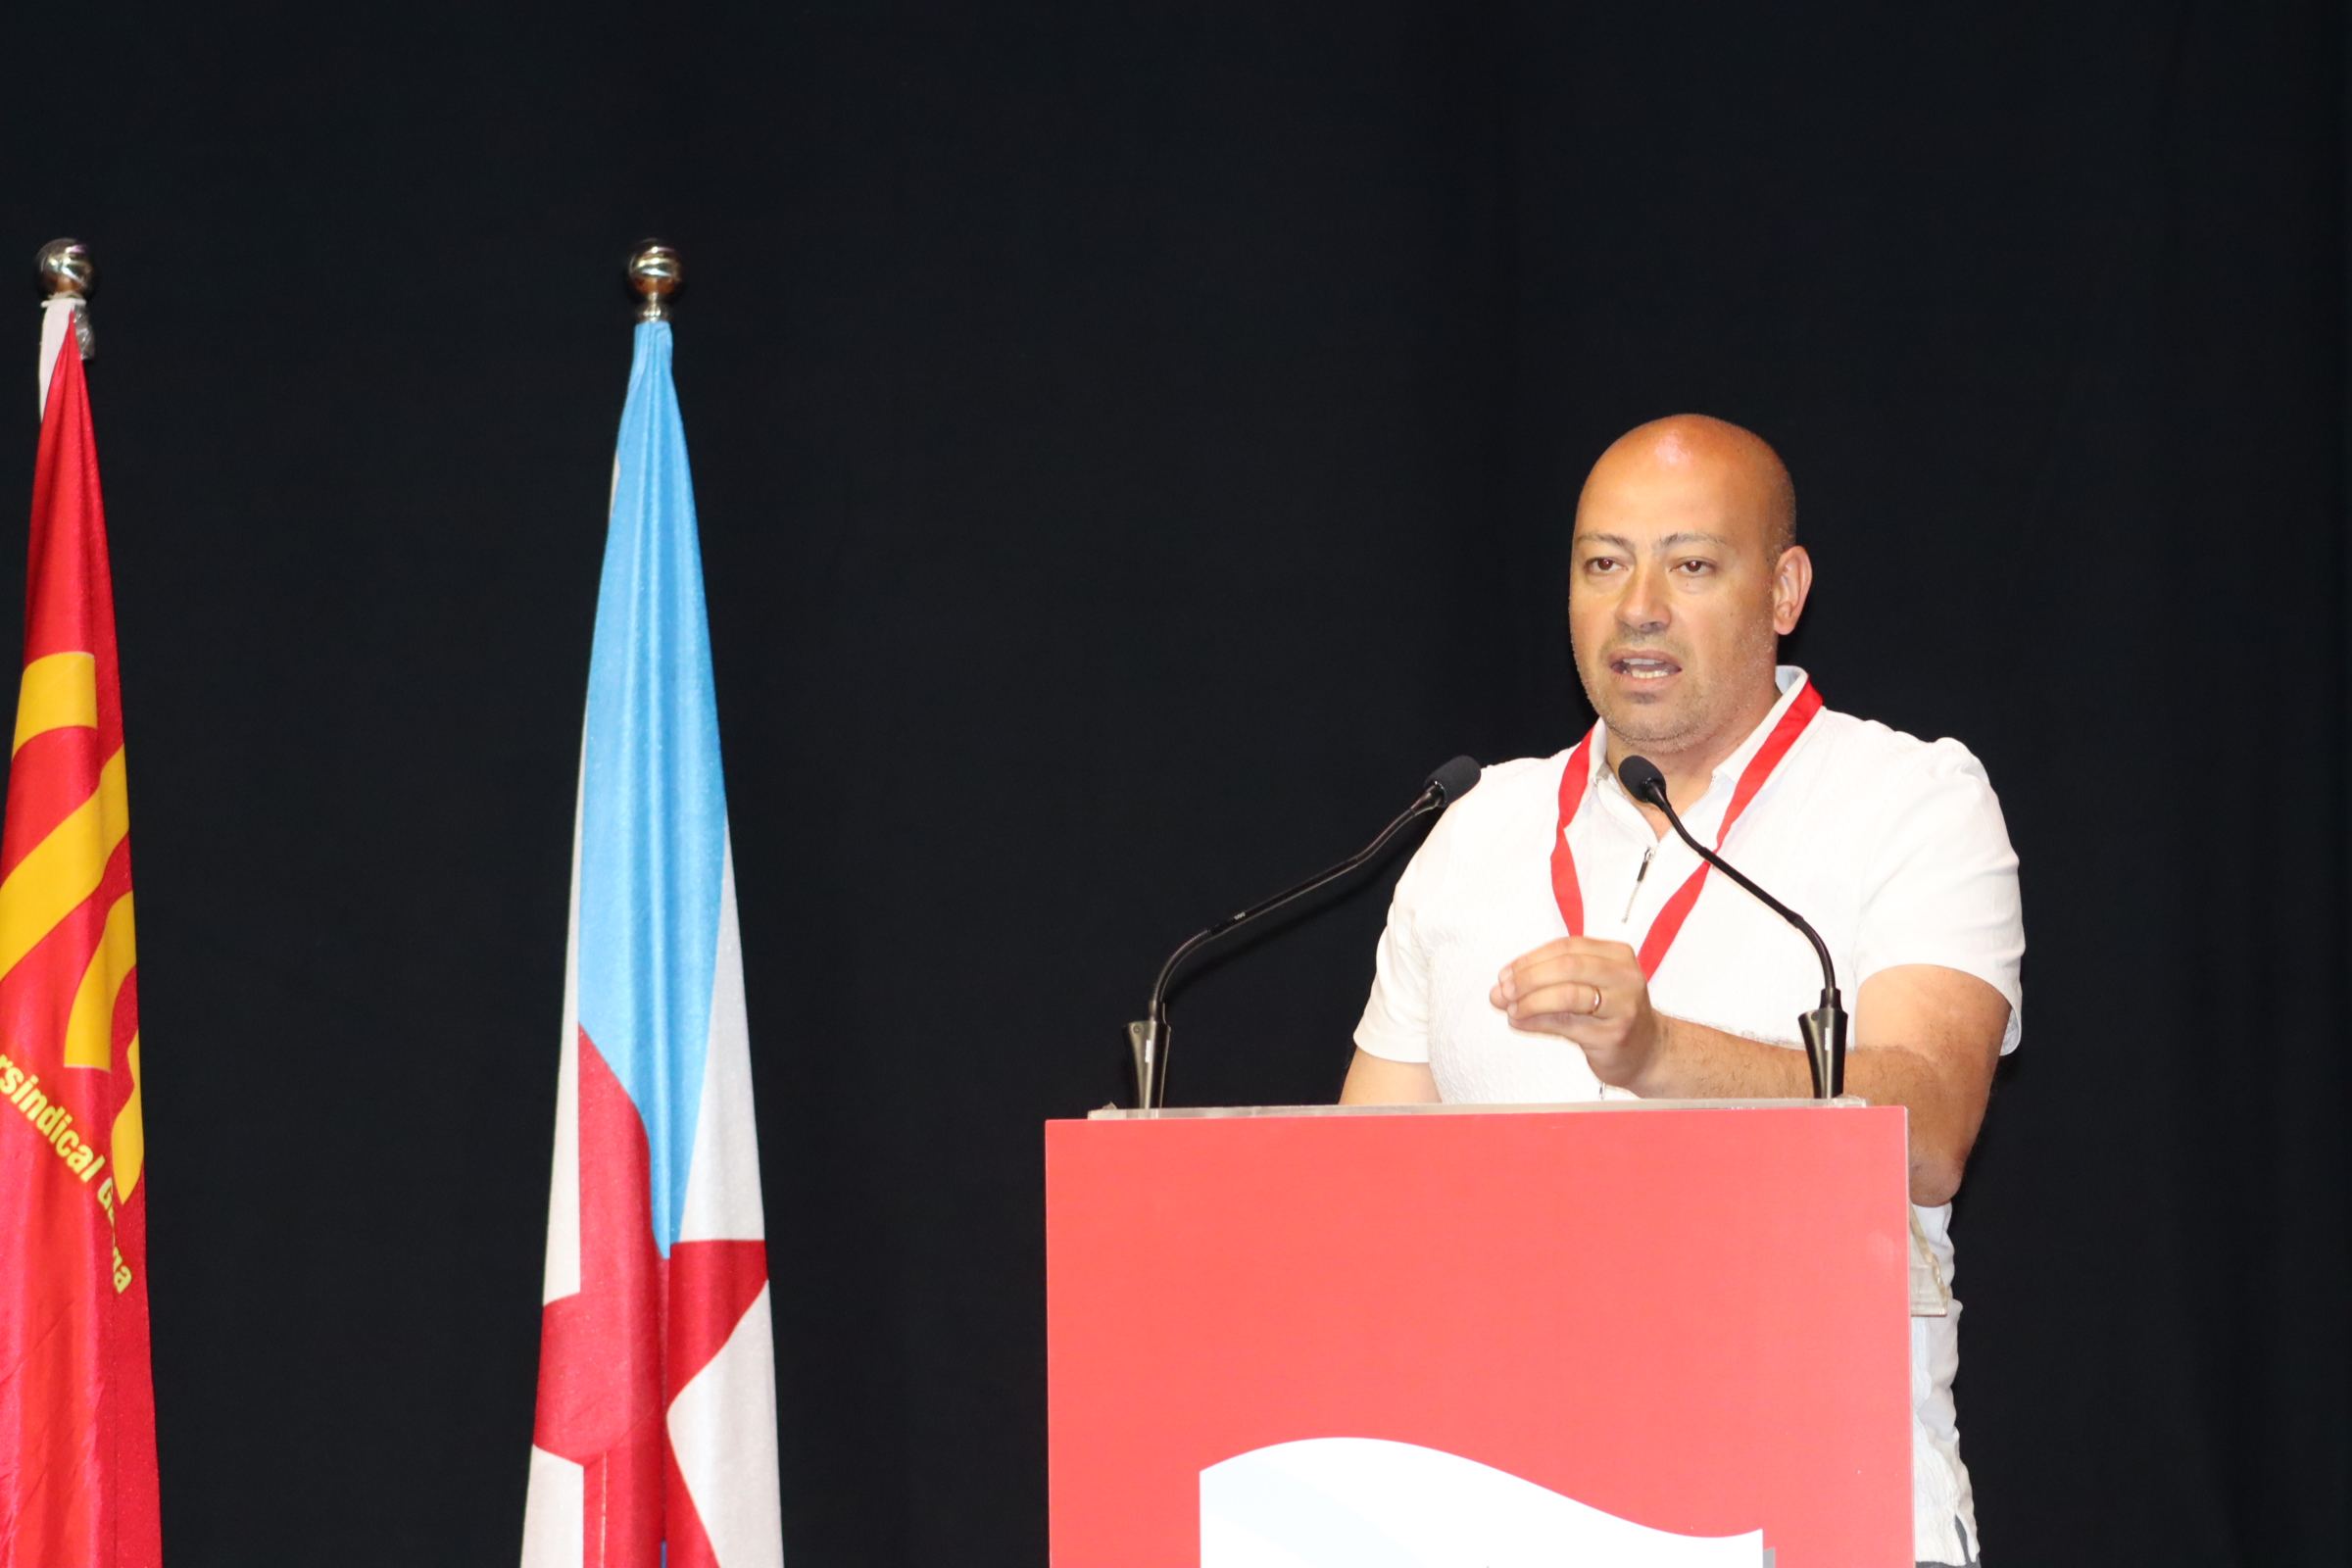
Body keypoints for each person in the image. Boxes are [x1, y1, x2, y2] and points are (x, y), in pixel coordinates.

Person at [1341, 414, 2023, 1568]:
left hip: (1817, 1499)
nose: (1639, 606)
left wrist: (1659, 1054)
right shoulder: (1474, 827)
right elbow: (1358, 1198)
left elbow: (1929, 1130)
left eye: (1692, 564)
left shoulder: (1911, 801)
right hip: (1495, 1503)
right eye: (1603, 564)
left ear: (1784, 590)